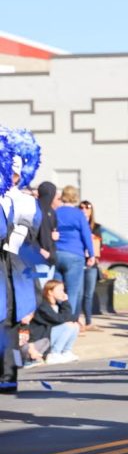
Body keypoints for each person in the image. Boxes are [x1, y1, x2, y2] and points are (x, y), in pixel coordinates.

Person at [0, 128, 43, 394]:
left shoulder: (24, 201)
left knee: (12, 327)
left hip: (15, 265)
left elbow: (29, 241)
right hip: (11, 265)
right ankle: (9, 375)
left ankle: (11, 375)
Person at [54, 185, 96, 328]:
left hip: (57, 253)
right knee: (72, 291)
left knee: (57, 289)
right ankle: (68, 323)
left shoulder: (56, 212)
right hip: (74, 255)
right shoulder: (78, 214)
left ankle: (57, 319)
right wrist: (91, 254)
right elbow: (86, 235)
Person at [34, 280, 81, 364]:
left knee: (75, 325)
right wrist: (65, 303)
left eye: (63, 290)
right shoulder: (43, 305)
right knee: (67, 326)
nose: (63, 293)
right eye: (60, 290)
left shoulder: (57, 305)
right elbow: (58, 319)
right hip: (42, 338)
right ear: (50, 292)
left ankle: (66, 351)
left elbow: (69, 317)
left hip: (50, 335)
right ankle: (53, 354)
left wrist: (74, 318)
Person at [79, 200, 104, 328]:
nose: (84, 209)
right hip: (79, 260)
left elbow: (99, 244)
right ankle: (77, 319)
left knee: (88, 293)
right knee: (79, 292)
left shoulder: (96, 227)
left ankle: (88, 320)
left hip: (92, 263)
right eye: (81, 207)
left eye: (87, 207)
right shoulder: (76, 224)